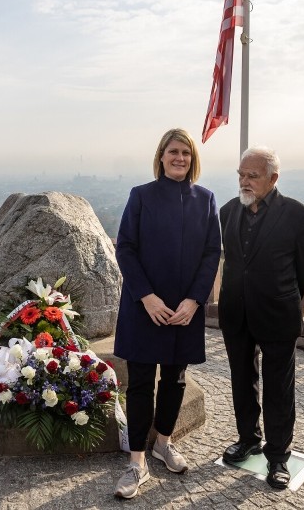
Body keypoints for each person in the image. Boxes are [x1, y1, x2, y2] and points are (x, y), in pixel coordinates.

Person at [112, 128, 221, 499]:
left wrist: (194, 301)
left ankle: (164, 442)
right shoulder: (141, 196)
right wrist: (147, 297)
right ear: (160, 156)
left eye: (186, 153)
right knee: (140, 383)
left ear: (193, 159)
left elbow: (211, 255)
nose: (179, 158)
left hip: (184, 311)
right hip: (146, 308)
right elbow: (125, 248)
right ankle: (137, 461)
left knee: (174, 381)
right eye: (173, 152)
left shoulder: (205, 200)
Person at [218, 146, 304, 490]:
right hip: (236, 313)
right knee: (241, 380)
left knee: (279, 388)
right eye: (241, 175)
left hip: (277, 315)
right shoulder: (228, 211)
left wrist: (281, 297)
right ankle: (248, 438)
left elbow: (303, 270)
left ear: (273, 178)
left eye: (253, 176)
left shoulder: (299, 216)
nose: (244, 181)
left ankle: (278, 457)